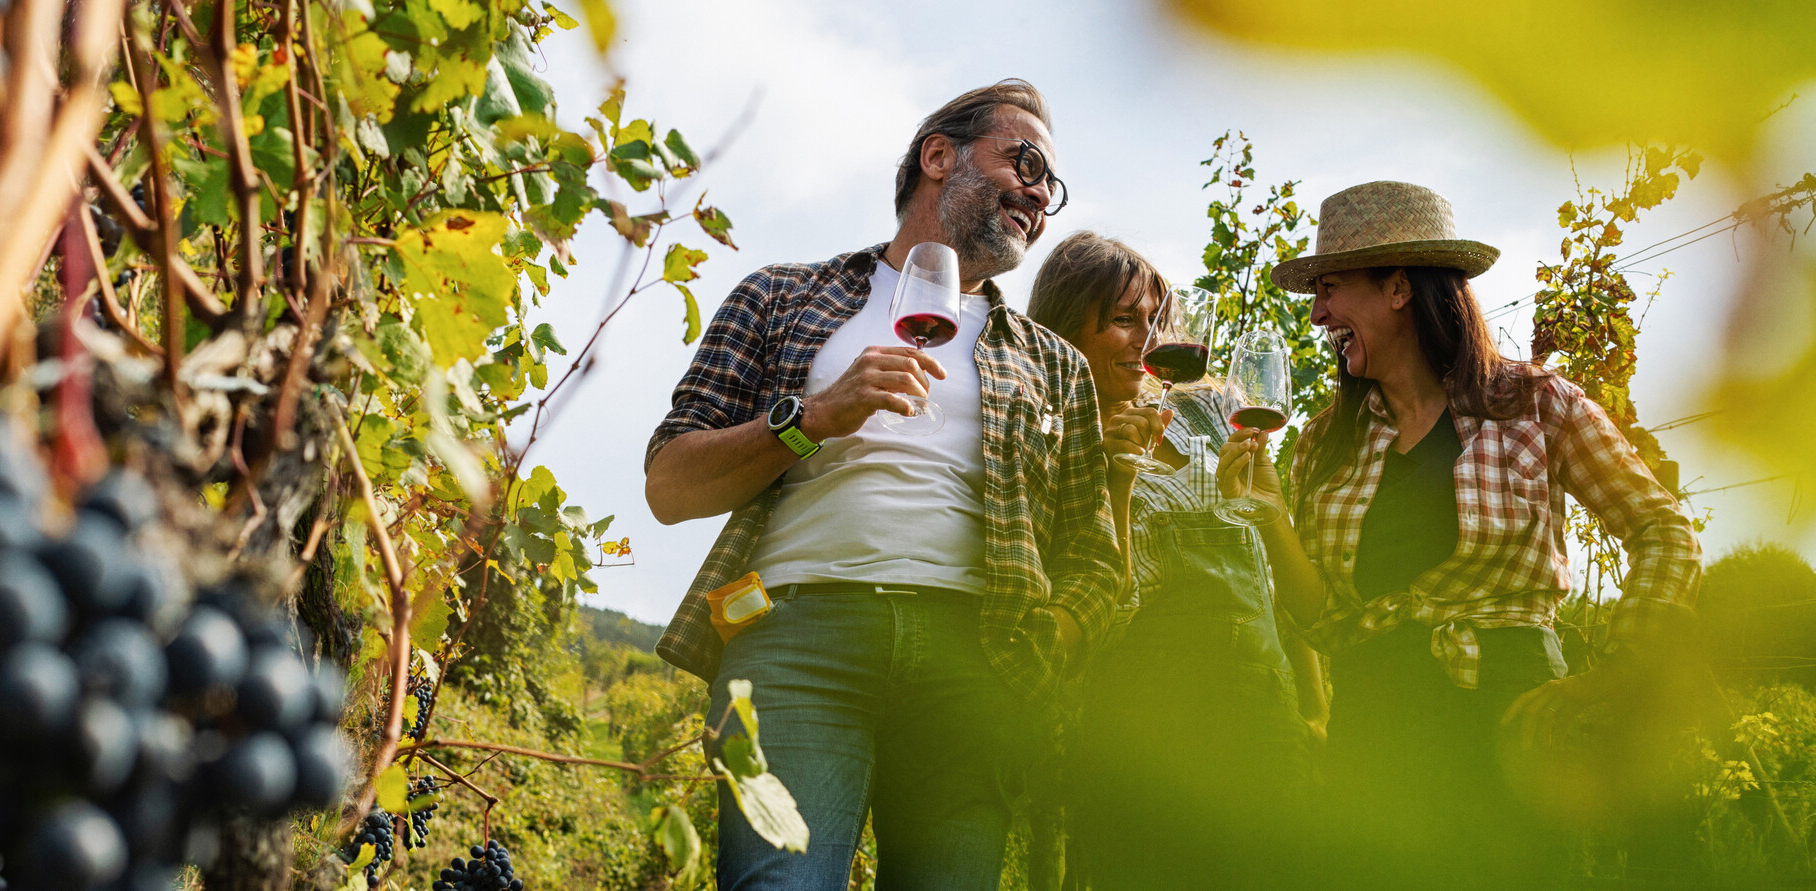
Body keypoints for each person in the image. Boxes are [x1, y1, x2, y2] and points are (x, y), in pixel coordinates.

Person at [642, 79, 1122, 891]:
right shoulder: (780, 295)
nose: (1041, 195)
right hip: (795, 639)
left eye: (1052, 186)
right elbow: (670, 485)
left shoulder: (1056, 365)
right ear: (940, 156)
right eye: (1026, 162)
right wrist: (811, 417)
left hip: (978, 662)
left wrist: (1042, 646)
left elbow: (1097, 558)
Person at [1223, 180, 1702, 890]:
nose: (1319, 312)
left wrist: (1614, 675)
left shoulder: (1537, 405)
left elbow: (1664, 529)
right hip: (1376, 733)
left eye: (1329, 287)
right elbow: (1324, 619)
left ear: (1397, 289)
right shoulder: (1328, 438)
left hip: (1512, 720)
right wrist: (1267, 513)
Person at [1025, 231, 1320, 890]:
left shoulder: (1213, 415)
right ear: (1067, 332)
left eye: (1155, 322)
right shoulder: (1048, 446)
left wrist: (1315, 707)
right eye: (1123, 321)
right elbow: (1094, 618)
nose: (1145, 339)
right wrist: (1114, 480)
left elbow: (1270, 575)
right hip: (1141, 743)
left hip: (1264, 728)